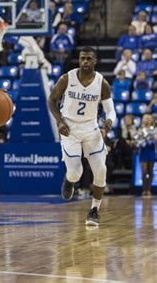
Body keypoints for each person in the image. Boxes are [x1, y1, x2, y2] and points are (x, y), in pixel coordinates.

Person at [48, 47, 116, 226]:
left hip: (91, 129)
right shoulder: (66, 78)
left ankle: (94, 210)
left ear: (95, 61)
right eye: (82, 58)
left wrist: (108, 122)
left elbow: (111, 111)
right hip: (69, 130)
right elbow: (51, 101)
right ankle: (69, 181)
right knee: (76, 173)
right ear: (79, 60)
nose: (85, 61)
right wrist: (60, 122)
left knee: (101, 171)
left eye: (89, 59)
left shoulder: (102, 83)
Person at [135, 114, 155, 197]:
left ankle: (149, 190)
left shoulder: (155, 129)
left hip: (151, 150)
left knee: (150, 171)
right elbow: (136, 141)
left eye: (149, 119)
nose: (147, 120)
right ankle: (144, 189)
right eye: (146, 119)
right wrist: (142, 140)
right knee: (144, 171)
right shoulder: (140, 130)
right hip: (143, 151)